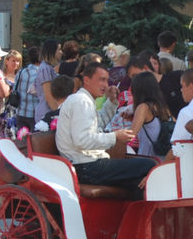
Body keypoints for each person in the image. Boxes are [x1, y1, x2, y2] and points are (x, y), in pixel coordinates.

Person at [55, 63, 157, 196]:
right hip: (85, 167)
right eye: (101, 80)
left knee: (138, 181)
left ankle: (135, 215)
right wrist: (115, 137)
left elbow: (98, 125)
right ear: (86, 80)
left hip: (88, 164)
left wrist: (111, 101)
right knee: (148, 165)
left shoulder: (84, 100)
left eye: (107, 80)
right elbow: (83, 140)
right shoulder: (82, 101)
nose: (105, 85)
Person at [129, 72, 172, 158]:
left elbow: (131, 134)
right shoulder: (164, 107)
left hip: (147, 160)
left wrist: (113, 136)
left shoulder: (143, 107)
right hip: (164, 160)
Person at [33, 39, 61, 123]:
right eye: (59, 49)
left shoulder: (48, 67)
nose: (61, 52)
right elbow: (48, 95)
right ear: (52, 52)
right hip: (46, 113)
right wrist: (57, 112)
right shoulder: (45, 68)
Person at [14, 46, 40, 132]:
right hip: (34, 113)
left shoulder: (21, 72)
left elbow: (15, 89)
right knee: (34, 142)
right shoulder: (40, 74)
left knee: (22, 140)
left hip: (20, 112)